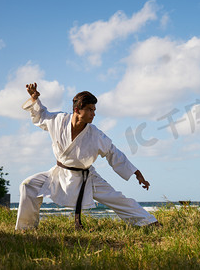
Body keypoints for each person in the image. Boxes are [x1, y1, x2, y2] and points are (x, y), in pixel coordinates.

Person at [15, 83, 159, 230]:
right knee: (28, 185)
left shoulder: (95, 134)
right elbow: (41, 116)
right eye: (90, 109)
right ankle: (26, 228)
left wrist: (136, 173)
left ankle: (149, 222)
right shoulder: (59, 120)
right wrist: (34, 100)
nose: (93, 113)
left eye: (94, 110)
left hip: (86, 177)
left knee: (117, 198)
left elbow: (113, 153)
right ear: (77, 110)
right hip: (59, 174)